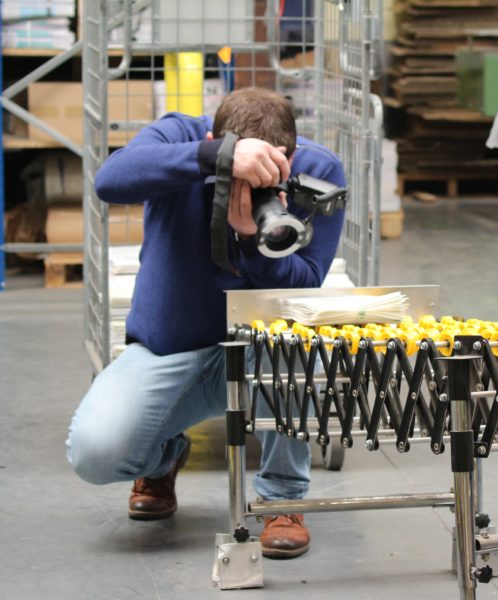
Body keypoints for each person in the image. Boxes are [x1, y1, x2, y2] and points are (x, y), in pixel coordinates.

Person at [66, 87, 346, 560]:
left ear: (291, 156)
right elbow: (109, 181)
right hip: (170, 347)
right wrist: (215, 160)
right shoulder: (180, 136)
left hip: (260, 347)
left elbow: (307, 281)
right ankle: (165, 457)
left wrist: (254, 242)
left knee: (300, 344)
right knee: (95, 454)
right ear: (213, 136)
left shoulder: (317, 170)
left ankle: (282, 497)